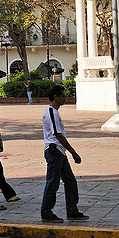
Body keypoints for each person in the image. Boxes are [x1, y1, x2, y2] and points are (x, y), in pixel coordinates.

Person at [40, 84, 88, 223]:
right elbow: (58, 135)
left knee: (70, 181)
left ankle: (72, 210)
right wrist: (74, 152)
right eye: (62, 96)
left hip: (59, 151)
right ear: (55, 97)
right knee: (52, 183)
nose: (64, 99)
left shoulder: (54, 112)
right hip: (54, 150)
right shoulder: (51, 112)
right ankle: (46, 211)